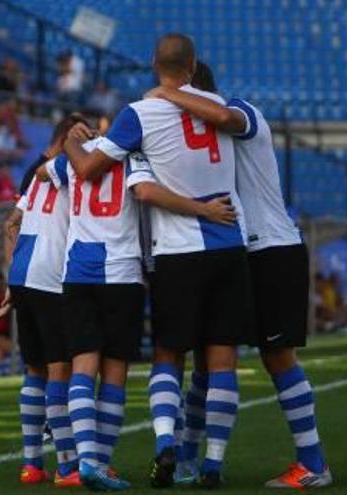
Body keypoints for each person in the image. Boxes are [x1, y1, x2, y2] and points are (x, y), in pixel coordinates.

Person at [63, 34, 250, 489]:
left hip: (177, 251)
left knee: (169, 355)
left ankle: (166, 443)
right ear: (193, 66)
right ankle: (212, 464)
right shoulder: (222, 105)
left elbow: (88, 170)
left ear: (154, 65)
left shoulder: (139, 114)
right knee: (222, 359)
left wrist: (71, 141)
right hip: (228, 242)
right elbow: (231, 123)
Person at [147, 65, 333, 488]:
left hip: (271, 247)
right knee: (207, 358)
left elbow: (227, 120)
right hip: (233, 251)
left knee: (277, 356)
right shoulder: (196, 137)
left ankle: (314, 463)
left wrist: (168, 94)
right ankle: (191, 459)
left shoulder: (240, 112)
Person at [40, 128, 147, 490]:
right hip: (123, 271)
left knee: (83, 369)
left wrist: (72, 143)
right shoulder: (133, 154)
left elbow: (41, 174)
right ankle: (101, 462)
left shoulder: (74, 156)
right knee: (114, 374)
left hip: (79, 270)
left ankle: (84, 460)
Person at [0, 114, 87, 487]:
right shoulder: (68, 169)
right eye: (85, 136)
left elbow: (9, 224)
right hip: (51, 275)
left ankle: (32, 463)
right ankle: (67, 465)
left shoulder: (36, 173)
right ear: (70, 137)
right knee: (59, 368)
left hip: (24, 273)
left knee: (34, 369)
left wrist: (12, 275)